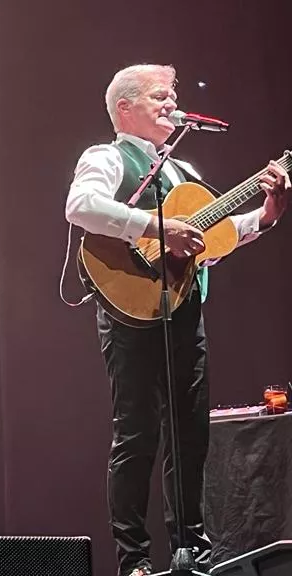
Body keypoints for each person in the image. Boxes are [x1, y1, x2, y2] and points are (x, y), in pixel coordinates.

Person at [64, 64, 289, 576]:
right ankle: (135, 560)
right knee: (136, 434)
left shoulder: (183, 171)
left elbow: (210, 236)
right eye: (160, 97)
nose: (172, 104)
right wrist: (151, 228)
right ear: (125, 107)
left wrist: (266, 216)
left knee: (189, 435)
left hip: (183, 309)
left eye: (174, 96)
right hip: (130, 309)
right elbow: (81, 206)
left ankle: (194, 551)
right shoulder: (106, 157)